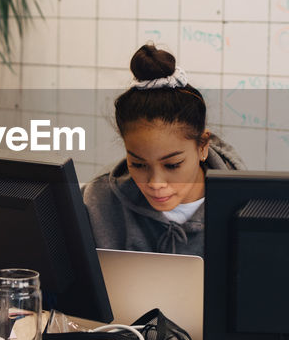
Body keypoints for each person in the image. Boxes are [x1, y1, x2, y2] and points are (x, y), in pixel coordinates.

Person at [82, 44, 244, 256]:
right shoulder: (97, 200)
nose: (156, 184)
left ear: (202, 146)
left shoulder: (245, 206)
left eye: (172, 165)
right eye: (138, 164)